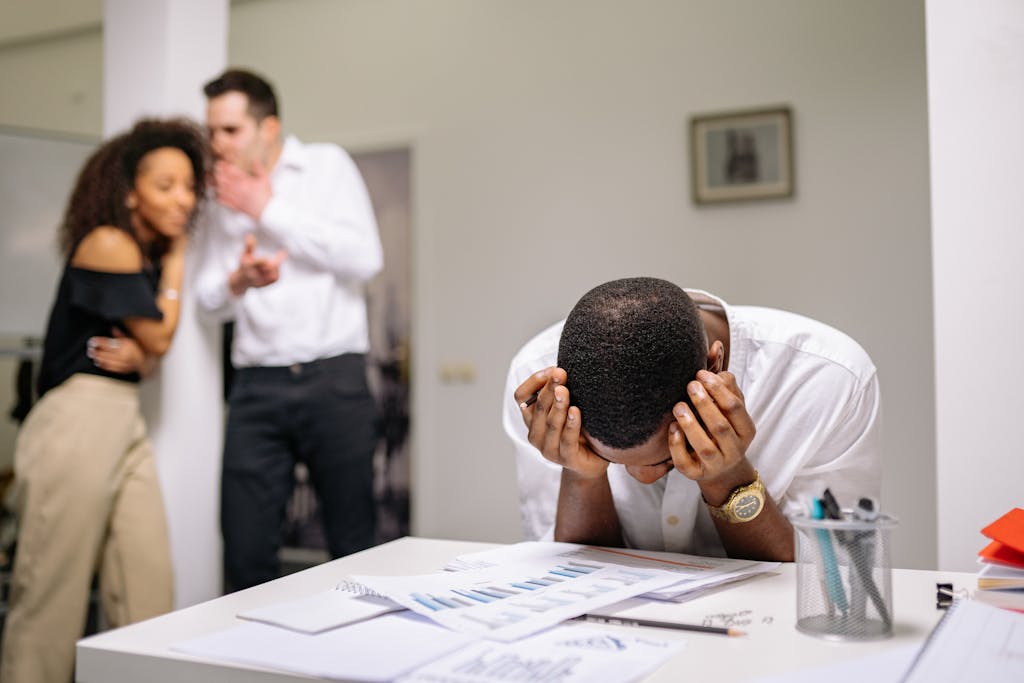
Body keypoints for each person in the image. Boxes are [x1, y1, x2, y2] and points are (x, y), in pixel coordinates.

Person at [0, 118, 208, 683]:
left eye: (189, 186)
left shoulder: (140, 254)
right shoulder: (108, 242)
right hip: (78, 417)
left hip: (123, 419)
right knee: (50, 598)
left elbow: (149, 349)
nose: (183, 199)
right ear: (128, 192)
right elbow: (159, 336)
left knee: (146, 590)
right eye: (166, 185)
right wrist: (182, 250)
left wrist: (144, 358)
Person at [503, 277, 881, 562]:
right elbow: (569, 577)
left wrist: (727, 475)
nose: (644, 476)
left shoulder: (827, 380)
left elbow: (829, 584)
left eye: (665, 459)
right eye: (612, 460)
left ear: (715, 367)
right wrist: (583, 475)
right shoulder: (542, 391)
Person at [194, 69, 383, 591]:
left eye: (229, 131)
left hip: (334, 380)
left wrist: (266, 209)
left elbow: (364, 258)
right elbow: (206, 306)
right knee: (244, 547)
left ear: (268, 127)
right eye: (211, 132)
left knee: (354, 543)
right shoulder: (216, 200)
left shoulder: (326, 166)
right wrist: (238, 281)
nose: (217, 145)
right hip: (257, 388)